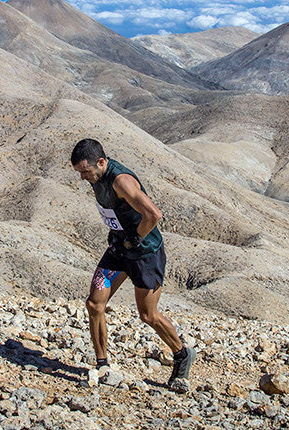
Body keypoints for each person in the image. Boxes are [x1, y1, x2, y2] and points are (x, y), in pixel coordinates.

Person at [70, 138, 196, 389]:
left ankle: (182, 354)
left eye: (85, 171)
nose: (82, 177)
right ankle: (102, 364)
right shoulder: (98, 177)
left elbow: (154, 214)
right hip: (119, 249)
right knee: (95, 304)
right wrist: (124, 241)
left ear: (102, 162)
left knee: (148, 315)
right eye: (79, 172)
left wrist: (136, 238)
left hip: (144, 253)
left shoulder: (121, 181)